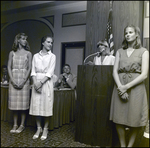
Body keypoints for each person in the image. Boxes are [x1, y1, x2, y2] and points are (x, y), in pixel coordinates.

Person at [109, 25, 149, 147]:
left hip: (136, 89)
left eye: (130, 32)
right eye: (126, 32)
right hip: (119, 86)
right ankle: (123, 145)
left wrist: (126, 87)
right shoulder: (119, 51)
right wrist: (120, 87)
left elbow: (144, 75)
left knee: (135, 119)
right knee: (119, 117)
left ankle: (130, 146)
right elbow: (114, 71)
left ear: (136, 34)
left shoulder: (144, 51)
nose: (127, 34)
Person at [29, 35, 56, 140]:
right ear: (43, 43)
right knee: (36, 106)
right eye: (48, 42)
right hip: (36, 81)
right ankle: (38, 128)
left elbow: (50, 72)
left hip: (46, 82)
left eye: (51, 42)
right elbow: (33, 71)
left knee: (46, 105)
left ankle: (45, 128)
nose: (50, 44)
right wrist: (35, 83)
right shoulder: (36, 56)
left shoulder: (52, 56)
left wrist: (40, 83)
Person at [7, 33, 32, 133]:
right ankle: (15, 124)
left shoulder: (28, 53)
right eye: (22, 38)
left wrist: (24, 80)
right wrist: (12, 80)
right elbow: (9, 66)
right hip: (14, 78)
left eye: (25, 39)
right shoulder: (12, 53)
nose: (25, 40)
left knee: (23, 104)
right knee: (14, 105)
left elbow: (29, 68)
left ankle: (22, 125)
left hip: (24, 79)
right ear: (17, 40)